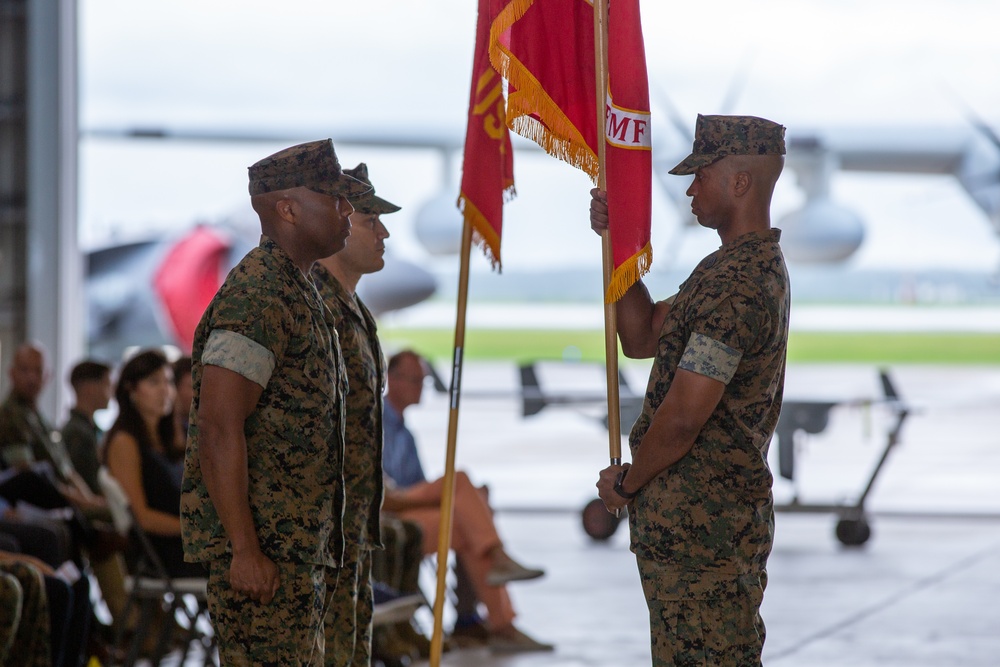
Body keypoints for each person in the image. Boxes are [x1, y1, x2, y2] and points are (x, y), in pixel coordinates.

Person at [591, 114, 790, 667]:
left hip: (708, 537)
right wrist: (615, 244)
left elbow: (682, 418)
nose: (690, 188)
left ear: (740, 182)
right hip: (694, 534)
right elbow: (640, 335)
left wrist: (626, 486)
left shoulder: (738, 285)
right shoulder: (727, 271)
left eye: (701, 174)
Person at [180, 138, 370, 665]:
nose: (348, 208)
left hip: (298, 551)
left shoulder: (299, 288)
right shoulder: (258, 294)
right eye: (334, 197)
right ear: (287, 208)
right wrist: (244, 549)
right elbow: (219, 426)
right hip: (266, 555)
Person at [383, 349, 553, 653]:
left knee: (467, 525)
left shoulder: (404, 434)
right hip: (385, 513)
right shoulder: (376, 420)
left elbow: (420, 489)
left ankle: (497, 624)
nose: (421, 386)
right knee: (460, 481)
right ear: (391, 380)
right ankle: (494, 585)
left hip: (408, 512)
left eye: (423, 379)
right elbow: (388, 494)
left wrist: (470, 503)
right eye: (415, 379)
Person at [310, 162, 397, 665]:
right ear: (339, 225)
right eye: (371, 220)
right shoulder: (313, 307)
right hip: (316, 537)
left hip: (349, 533)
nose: (383, 232)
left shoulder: (355, 312)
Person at [104, 349, 203, 579]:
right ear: (131, 390)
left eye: (167, 382)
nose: (164, 391)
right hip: (164, 554)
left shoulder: (164, 439)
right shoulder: (125, 442)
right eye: (153, 382)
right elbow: (142, 517)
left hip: (187, 543)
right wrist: (195, 529)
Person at [62, 360, 113, 498]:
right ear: (89, 388)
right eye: (107, 384)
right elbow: (92, 486)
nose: (111, 392)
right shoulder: (77, 433)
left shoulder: (91, 430)